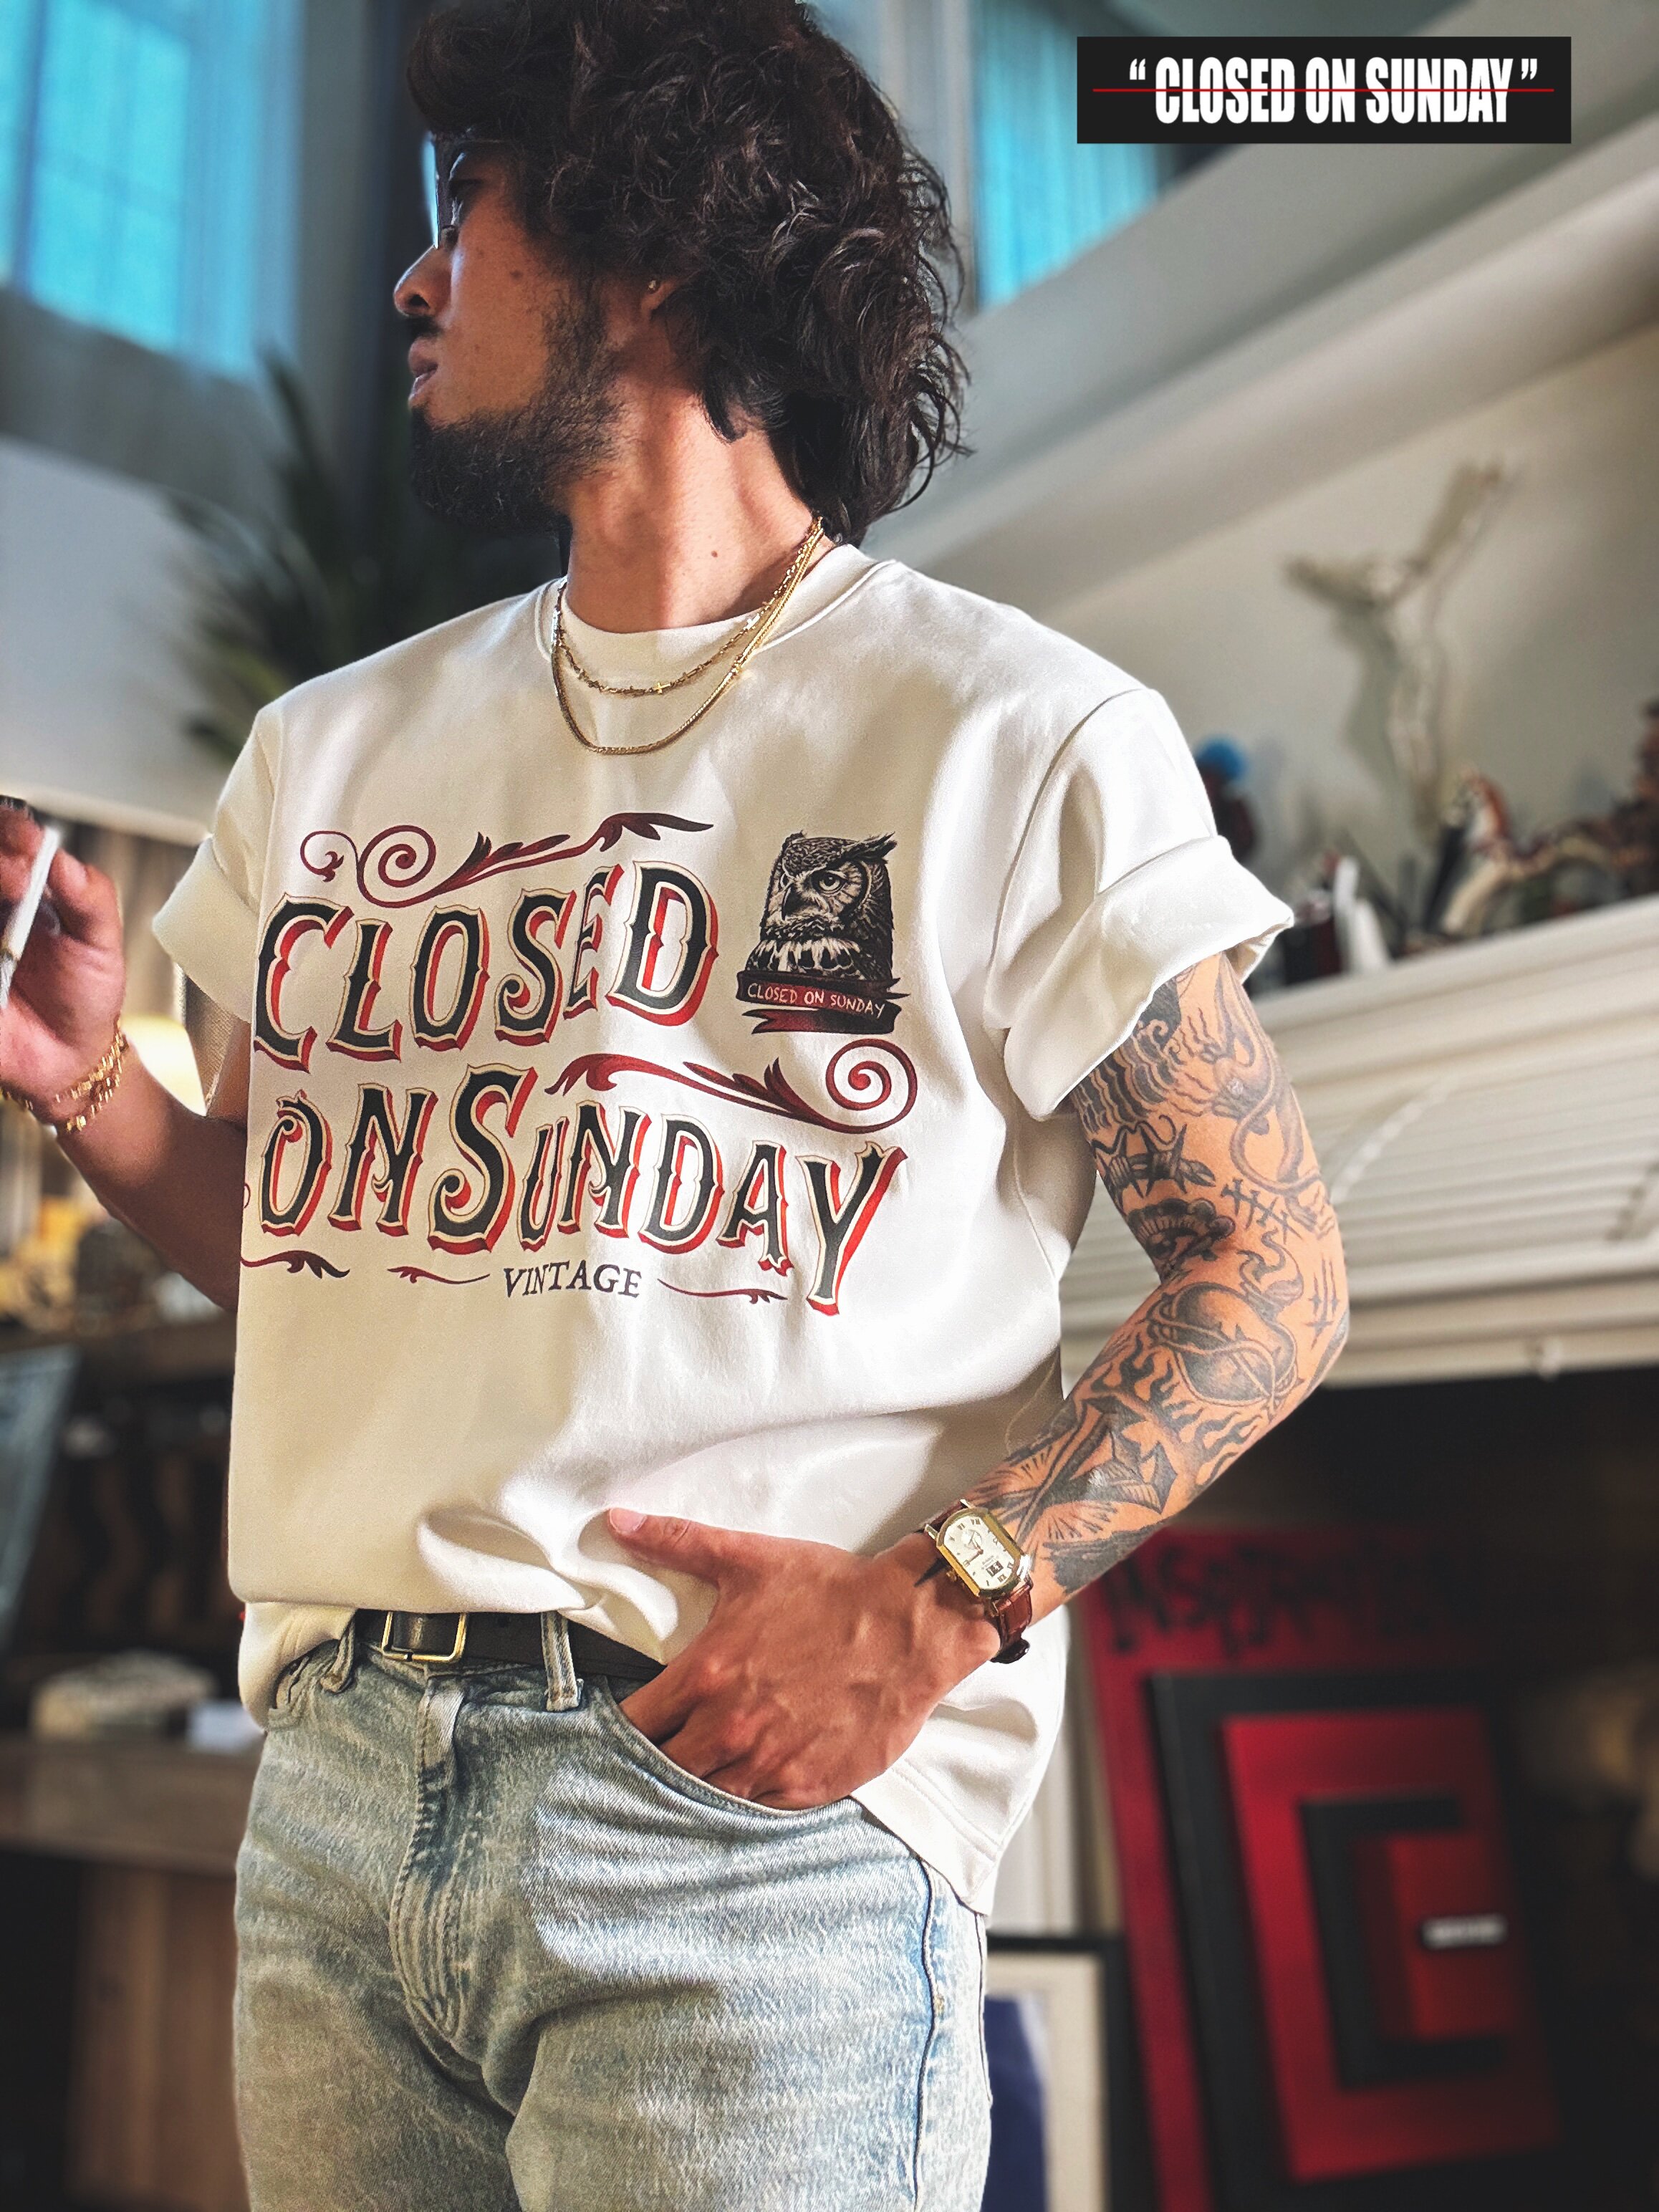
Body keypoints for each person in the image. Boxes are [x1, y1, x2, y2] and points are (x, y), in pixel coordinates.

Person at [0, 3, 1347, 2205]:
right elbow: (326, 1264)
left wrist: (943, 1600)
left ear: (654, 244)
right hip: (335, 1800)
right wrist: (86, 1094)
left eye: (466, 214)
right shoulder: (324, 754)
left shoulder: (1013, 737)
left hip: (741, 1827)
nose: (411, 279)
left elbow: (1268, 1270)